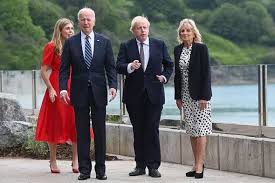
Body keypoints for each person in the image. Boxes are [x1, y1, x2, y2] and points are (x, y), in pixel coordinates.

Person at [59, 7, 117, 181]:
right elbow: (63, 70)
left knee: (100, 131)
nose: (86, 22)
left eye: (89, 19)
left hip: (99, 92)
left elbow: (110, 67)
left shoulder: (104, 42)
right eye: (82, 19)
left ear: (94, 21)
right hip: (78, 92)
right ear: (79, 22)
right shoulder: (71, 43)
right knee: (82, 132)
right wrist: (63, 88)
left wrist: (113, 85)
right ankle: (84, 170)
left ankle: (101, 170)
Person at [116, 16, 174, 178]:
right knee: (139, 131)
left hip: (154, 95)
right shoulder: (126, 46)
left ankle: (153, 166)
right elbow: (118, 66)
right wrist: (130, 67)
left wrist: (164, 77)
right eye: (139, 28)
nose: (142, 30)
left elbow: (169, 65)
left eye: (145, 27)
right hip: (134, 96)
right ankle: (140, 166)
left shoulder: (159, 44)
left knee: (152, 129)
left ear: (148, 29)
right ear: (133, 30)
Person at [35, 18, 79, 174]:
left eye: (72, 28)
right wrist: (51, 89)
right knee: (55, 123)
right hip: (56, 84)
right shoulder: (51, 46)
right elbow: (43, 70)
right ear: (59, 30)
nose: (71, 31)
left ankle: (75, 160)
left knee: (75, 122)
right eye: (67, 28)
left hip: (73, 85)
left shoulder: (76, 45)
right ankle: (53, 160)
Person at [174, 18, 212, 179]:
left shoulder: (201, 49)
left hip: (200, 96)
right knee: (192, 130)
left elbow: (206, 74)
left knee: (201, 129)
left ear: (194, 32)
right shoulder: (177, 50)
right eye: (182, 30)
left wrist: (204, 96)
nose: (185, 33)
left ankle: (199, 165)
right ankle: (196, 163)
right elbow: (178, 75)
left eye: (188, 30)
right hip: (185, 96)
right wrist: (177, 96)